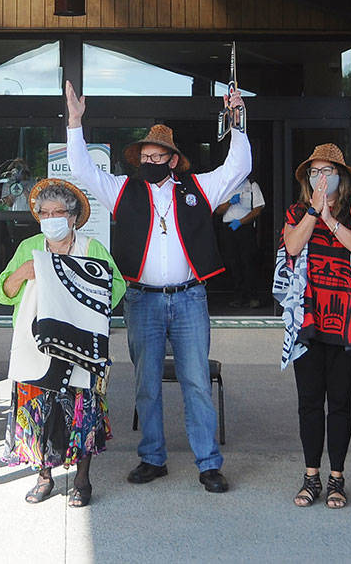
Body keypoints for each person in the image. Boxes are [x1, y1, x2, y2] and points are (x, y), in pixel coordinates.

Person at [64, 81, 250, 494]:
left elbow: (238, 167)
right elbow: (81, 170)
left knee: (197, 381)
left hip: (189, 297)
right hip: (141, 300)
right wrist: (75, 122)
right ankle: (152, 457)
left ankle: (208, 463)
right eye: (144, 155)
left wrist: (238, 123)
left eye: (156, 155)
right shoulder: (123, 190)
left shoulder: (197, 188)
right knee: (146, 383)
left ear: (172, 159)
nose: (148, 160)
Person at [0, 178, 125, 507]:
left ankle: (82, 480)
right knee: (39, 411)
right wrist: (23, 274)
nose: (52, 217)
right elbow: (1, 292)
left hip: (79, 345)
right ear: (38, 216)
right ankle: (44, 476)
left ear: (72, 216)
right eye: (45, 212)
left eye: (59, 212)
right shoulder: (29, 248)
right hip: (34, 345)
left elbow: (116, 287)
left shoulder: (90, 248)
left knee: (82, 409)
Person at [279, 144, 351, 508]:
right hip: (308, 322)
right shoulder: (296, 211)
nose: (321, 179)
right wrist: (313, 213)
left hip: (348, 324)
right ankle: (311, 476)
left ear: (342, 177)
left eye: (328, 172)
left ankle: (337, 477)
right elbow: (292, 246)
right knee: (309, 402)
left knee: (340, 402)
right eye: (315, 173)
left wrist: (332, 220)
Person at [215, 176, 265, 309]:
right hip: (228, 229)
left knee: (248, 261)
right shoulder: (227, 186)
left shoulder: (252, 186)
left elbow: (258, 209)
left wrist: (241, 222)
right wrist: (230, 202)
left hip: (245, 228)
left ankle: (253, 297)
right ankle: (239, 297)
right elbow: (218, 210)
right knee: (233, 262)